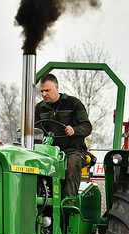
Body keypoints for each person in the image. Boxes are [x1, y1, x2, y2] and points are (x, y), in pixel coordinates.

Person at [35, 73, 92, 203]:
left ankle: (68, 204)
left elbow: (87, 127)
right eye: (42, 91)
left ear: (57, 87)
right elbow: (33, 130)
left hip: (72, 149)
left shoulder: (73, 104)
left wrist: (74, 130)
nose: (44, 94)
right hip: (47, 151)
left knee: (71, 164)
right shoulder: (39, 109)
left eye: (47, 90)